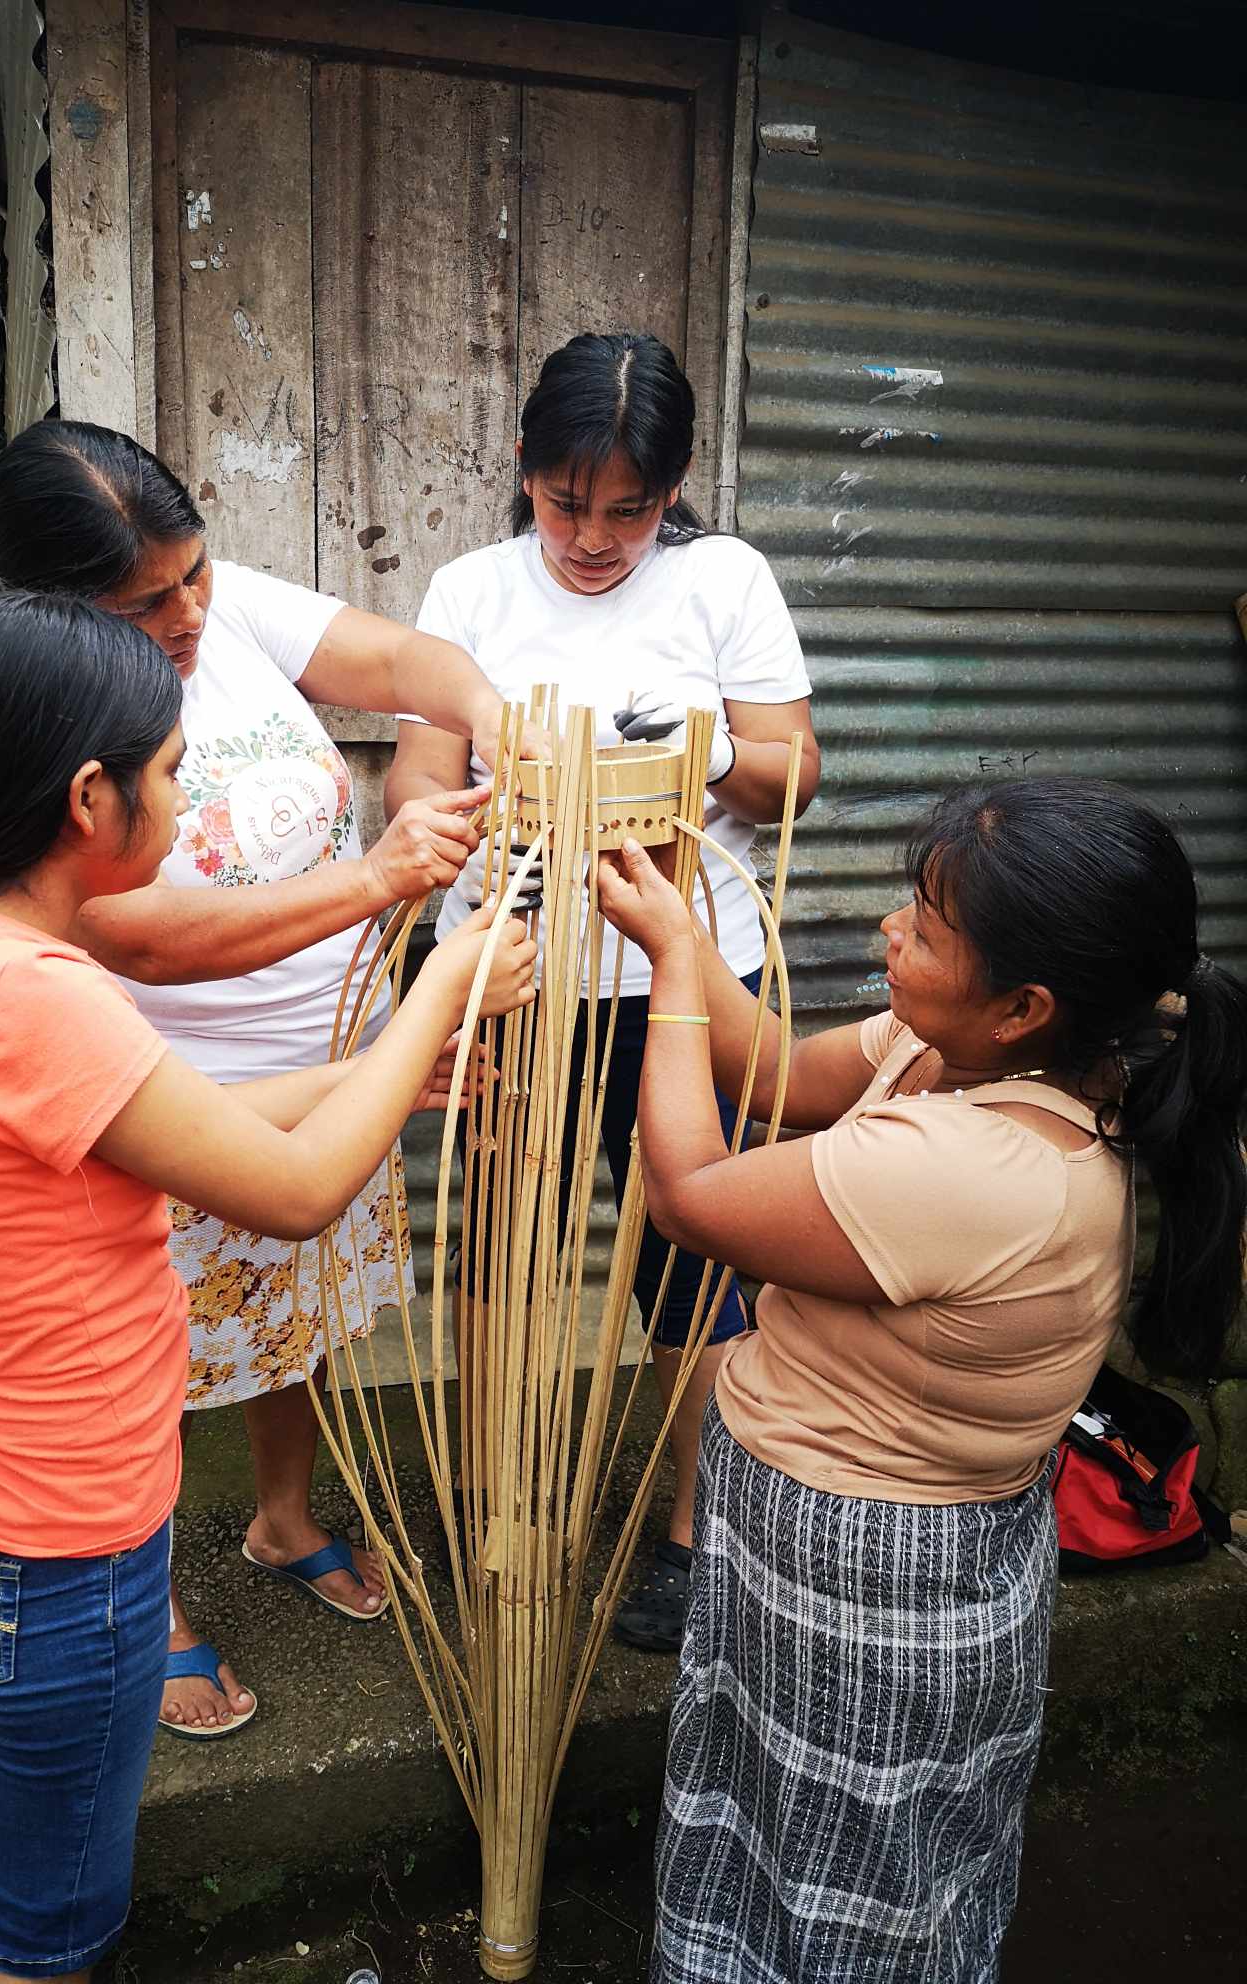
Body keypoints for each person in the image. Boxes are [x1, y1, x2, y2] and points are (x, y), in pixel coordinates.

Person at [0, 590, 535, 1984]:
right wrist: (439, 987)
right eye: (164, 768)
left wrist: (379, 1073)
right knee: (49, 1933)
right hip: (61, 1559)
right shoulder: (37, 990)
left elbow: (181, 1115)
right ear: (90, 801)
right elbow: (300, 1190)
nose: (185, 781)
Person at [593, 778, 1247, 1983]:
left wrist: (672, 976)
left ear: (1023, 1005)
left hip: (869, 1578)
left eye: (928, 928)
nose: (891, 930)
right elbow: (777, 1069)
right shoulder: (955, 1054)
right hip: (817, 1540)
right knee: (782, 1823)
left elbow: (688, 1196)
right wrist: (684, 936)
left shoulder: (981, 1167)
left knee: (851, 1882)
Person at [0, 420, 541, 1736]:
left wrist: (499, 719)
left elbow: (412, 659)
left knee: (301, 1317)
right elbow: (133, 937)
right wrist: (381, 877)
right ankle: (150, 1596)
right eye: (145, 601)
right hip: (167, 1087)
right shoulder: (45, 705)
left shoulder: (224, 613)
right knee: (148, 1359)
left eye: (194, 578)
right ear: (61, 611)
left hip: (337, 1050)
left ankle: (284, 1521)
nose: (183, 616)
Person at [386, 331, 819, 1651]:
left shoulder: (723, 581)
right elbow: (413, 775)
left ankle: (695, 1534)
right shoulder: (469, 590)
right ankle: (494, 1503)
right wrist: (448, 822)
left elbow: (792, 772)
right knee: (500, 1244)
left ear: (673, 485)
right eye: (567, 504)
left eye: (627, 510)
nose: (592, 539)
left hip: (678, 979)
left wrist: (685, 760)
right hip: (512, 967)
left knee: (693, 1256)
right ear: (524, 473)